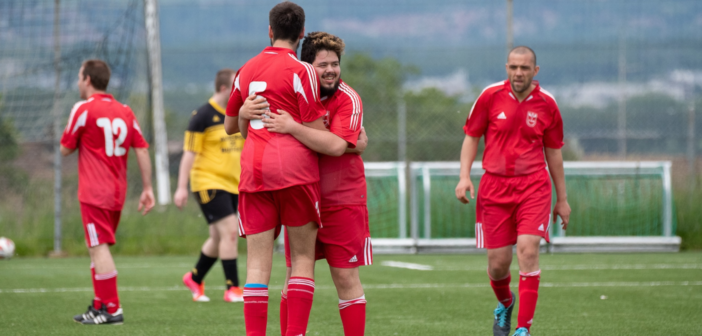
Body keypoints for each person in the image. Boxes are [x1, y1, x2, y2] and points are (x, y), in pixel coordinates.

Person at [224, 2, 345, 335]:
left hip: (254, 171)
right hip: (294, 172)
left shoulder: (245, 69)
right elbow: (314, 130)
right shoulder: (302, 71)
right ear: (302, 33)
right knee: (302, 260)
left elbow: (229, 126)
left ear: (270, 30)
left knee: (257, 265)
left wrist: (247, 112)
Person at [240, 31, 370, 336]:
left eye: (335, 64)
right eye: (322, 64)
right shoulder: (292, 91)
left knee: (345, 277)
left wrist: (294, 128)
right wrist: (245, 115)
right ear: (305, 66)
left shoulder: (348, 97)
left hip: (341, 200)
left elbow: (337, 145)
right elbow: (256, 133)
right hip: (301, 193)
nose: (330, 70)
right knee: (294, 272)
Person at [455, 46, 571, 336]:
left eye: (524, 68)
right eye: (513, 67)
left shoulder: (547, 103)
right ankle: (505, 303)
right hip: (494, 188)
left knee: (528, 250)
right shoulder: (490, 96)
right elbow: (471, 137)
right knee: (498, 265)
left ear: (535, 71)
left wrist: (563, 199)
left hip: (534, 187)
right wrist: (464, 177)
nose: (518, 73)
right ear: (506, 68)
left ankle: (523, 328)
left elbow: (554, 152)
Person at [62, 59, 155, 325]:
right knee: (95, 246)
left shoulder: (83, 109)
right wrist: (147, 188)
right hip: (117, 192)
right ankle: (100, 305)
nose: (78, 81)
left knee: (98, 246)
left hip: (93, 192)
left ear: (88, 80)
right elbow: (142, 148)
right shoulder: (125, 110)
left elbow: (65, 148)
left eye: (80, 77)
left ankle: (112, 310)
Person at [174, 69, 244, 303]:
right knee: (230, 232)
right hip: (208, 182)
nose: (239, 91)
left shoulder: (238, 115)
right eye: (235, 87)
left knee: (218, 237)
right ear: (224, 89)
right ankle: (233, 288)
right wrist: (182, 187)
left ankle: (195, 278)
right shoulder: (202, 116)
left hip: (234, 185)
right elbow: (189, 154)